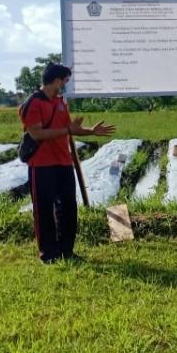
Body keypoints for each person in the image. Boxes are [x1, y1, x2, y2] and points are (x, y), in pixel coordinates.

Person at [19, 63, 115, 264]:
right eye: (65, 81)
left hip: (63, 161)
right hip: (42, 164)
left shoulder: (60, 103)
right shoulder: (33, 103)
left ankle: (66, 251)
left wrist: (90, 131)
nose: (65, 85)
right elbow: (36, 134)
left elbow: (68, 128)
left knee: (68, 208)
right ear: (56, 80)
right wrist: (68, 131)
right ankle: (48, 253)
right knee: (43, 210)